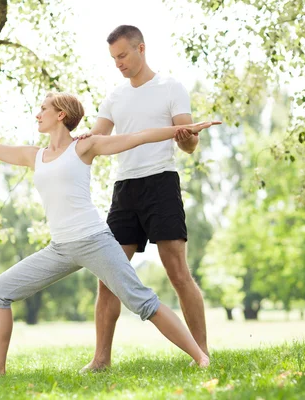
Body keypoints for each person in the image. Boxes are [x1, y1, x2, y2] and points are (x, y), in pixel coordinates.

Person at [0, 92, 219, 377]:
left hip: (94, 241)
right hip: (60, 248)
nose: (37, 114)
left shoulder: (84, 146)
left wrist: (187, 128)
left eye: (43, 109)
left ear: (61, 115)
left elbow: (137, 137)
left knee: (142, 302)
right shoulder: (35, 156)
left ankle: (200, 356)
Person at [79, 25, 208, 372]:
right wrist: (71, 141)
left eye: (122, 55)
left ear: (141, 48)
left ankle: (203, 354)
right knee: (109, 277)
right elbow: (96, 139)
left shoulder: (171, 87)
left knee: (178, 272)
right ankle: (101, 360)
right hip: (125, 190)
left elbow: (189, 142)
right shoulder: (115, 96)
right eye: (114, 58)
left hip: (161, 184)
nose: (118, 63)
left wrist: (187, 139)